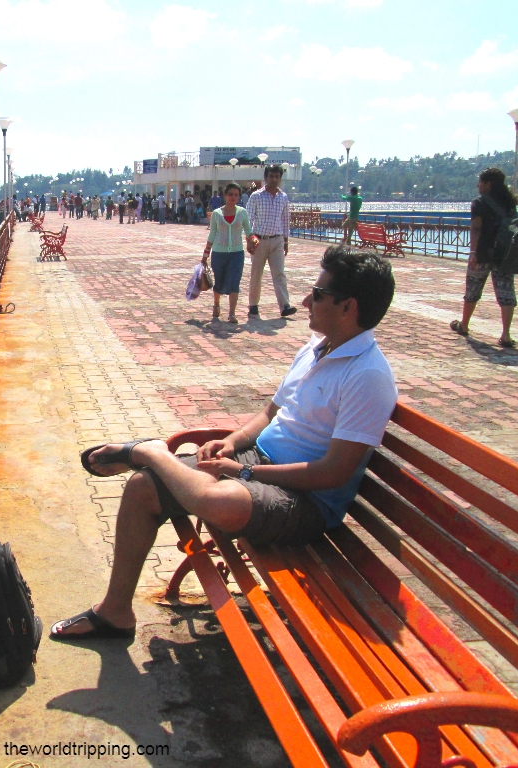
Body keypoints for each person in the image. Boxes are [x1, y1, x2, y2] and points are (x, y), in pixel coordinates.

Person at [51, 246, 398, 640]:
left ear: (348, 307)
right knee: (142, 487)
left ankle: (149, 451)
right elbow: (270, 414)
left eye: (317, 293)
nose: (304, 300)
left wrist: (246, 472)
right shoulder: (317, 349)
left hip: (308, 502)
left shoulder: (368, 376)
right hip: (260, 464)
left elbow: (333, 473)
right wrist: (231, 442)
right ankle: (115, 611)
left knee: (218, 503)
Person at [450, 168, 518, 347]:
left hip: (483, 253)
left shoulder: (479, 203)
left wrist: (472, 252)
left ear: (488, 184)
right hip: (504, 254)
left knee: (473, 288)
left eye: (480, 182)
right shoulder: (509, 203)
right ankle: (506, 334)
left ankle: (464, 325)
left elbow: (476, 228)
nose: (477, 185)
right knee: (506, 292)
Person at [245, 164, 297, 319]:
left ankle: (284, 305)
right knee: (256, 274)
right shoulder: (256, 196)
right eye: (271, 176)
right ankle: (253, 304)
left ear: (280, 178)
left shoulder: (283, 197)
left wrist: (286, 241)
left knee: (279, 273)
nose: (274, 179)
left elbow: (285, 219)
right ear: (265, 178)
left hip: (277, 240)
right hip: (259, 240)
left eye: (277, 176)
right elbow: (248, 220)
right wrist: (249, 239)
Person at [201, 182, 252, 324]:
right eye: (230, 194)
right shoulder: (217, 214)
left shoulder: (242, 212)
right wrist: (205, 254)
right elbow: (212, 235)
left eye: (236, 195)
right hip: (219, 253)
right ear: (225, 195)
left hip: (237, 253)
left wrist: (253, 239)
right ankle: (216, 304)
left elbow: (248, 230)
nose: (233, 197)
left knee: (235, 282)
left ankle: (232, 313)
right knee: (219, 282)